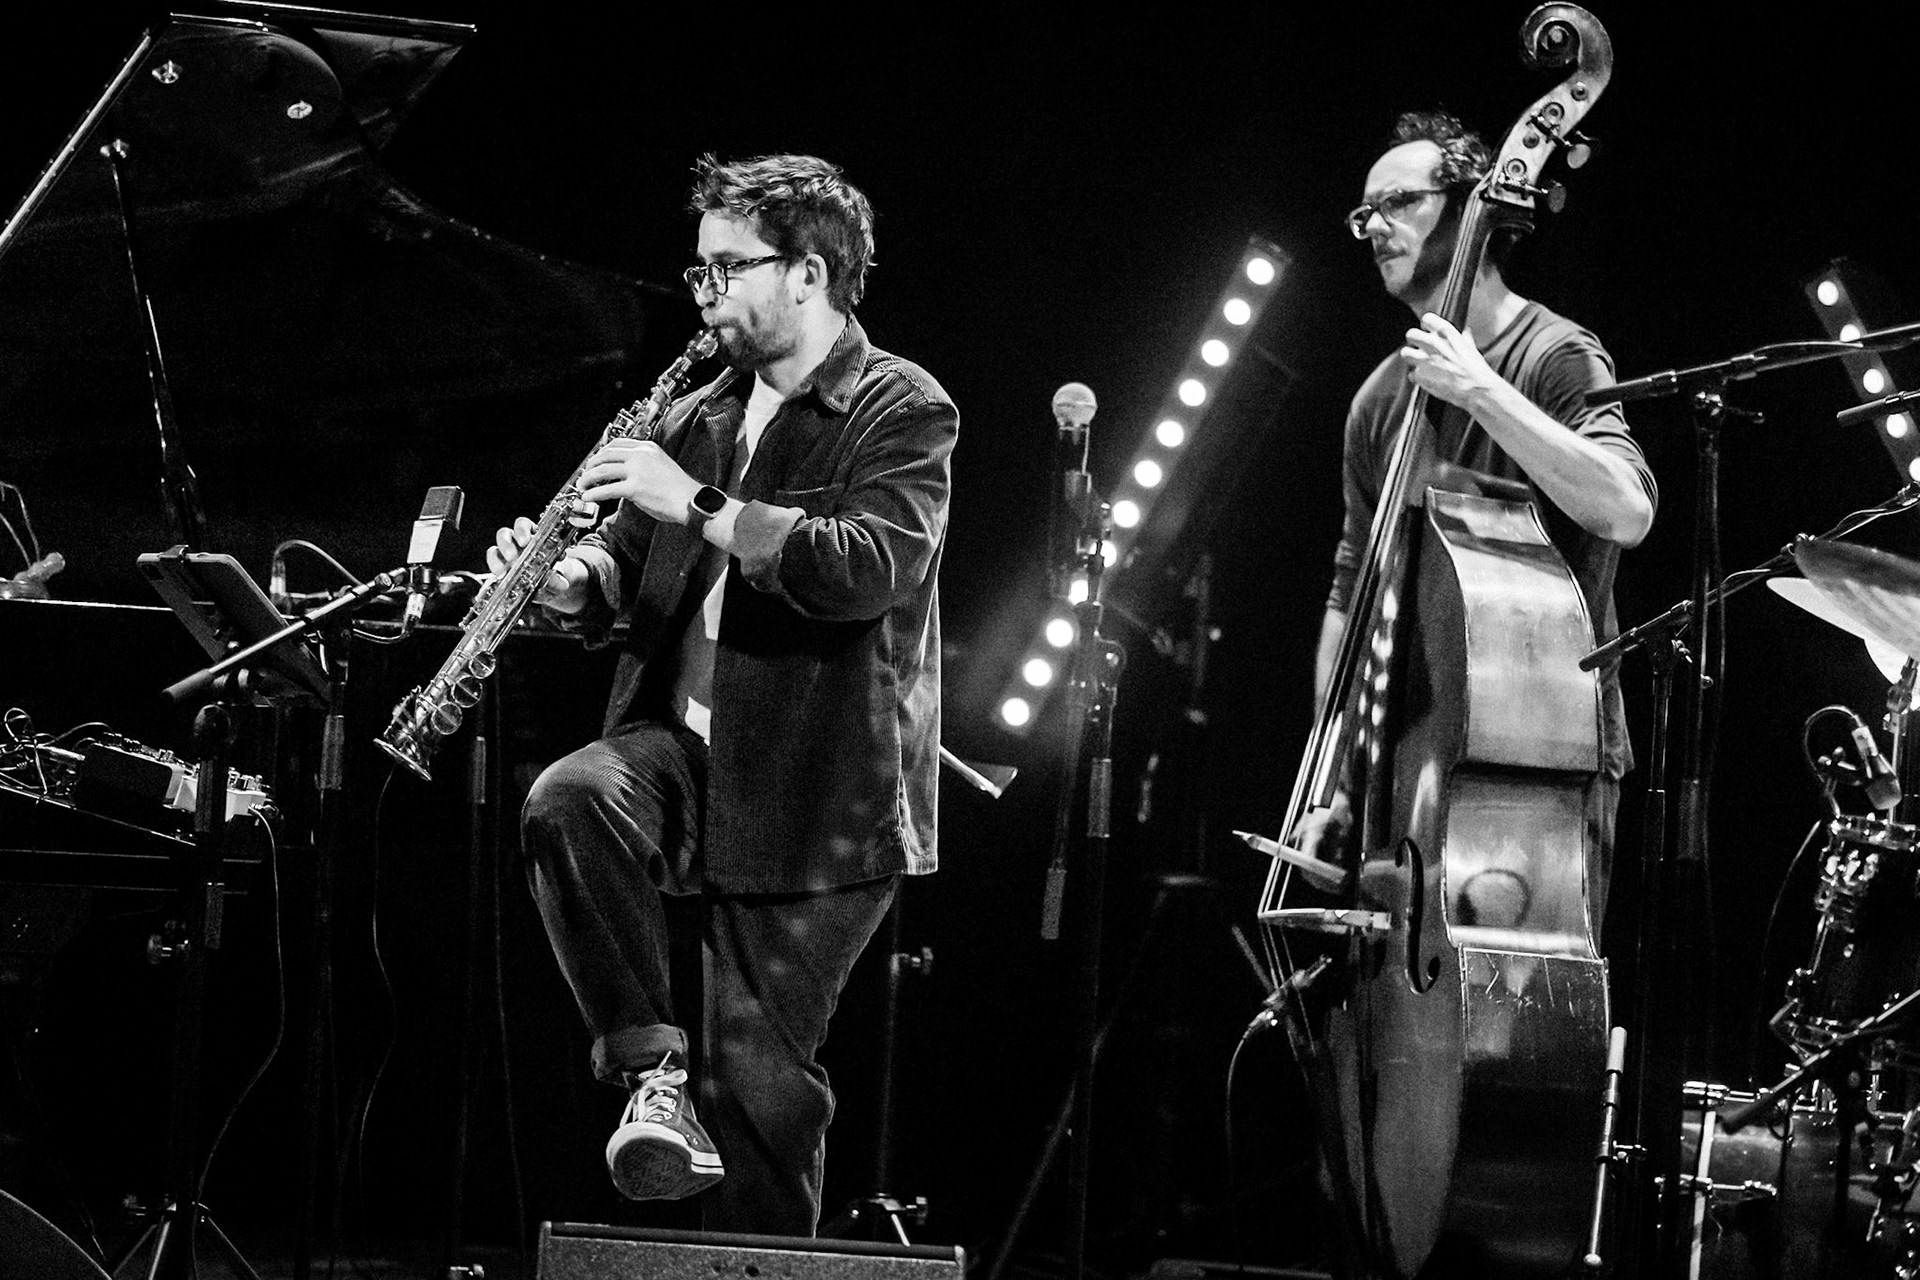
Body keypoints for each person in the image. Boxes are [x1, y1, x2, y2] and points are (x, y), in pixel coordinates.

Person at [491, 152, 957, 1235]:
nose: (702, 294)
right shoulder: (697, 410)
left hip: (822, 792)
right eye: (698, 271)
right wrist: (570, 582)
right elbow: (622, 562)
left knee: (757, 1085)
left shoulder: (902, 405)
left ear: (808, 272)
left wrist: (696, 500)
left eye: (726, 269)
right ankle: (651, 1067)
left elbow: (862, 569)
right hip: (683, 751)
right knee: (569, 797)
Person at [1300, 110, 1657, 911]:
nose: (1375, 229)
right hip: (1407, 761)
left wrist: (1481, 392)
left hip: (1538, 757)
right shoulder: (1379, 400)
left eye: (1398, 203)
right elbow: (1350, 591)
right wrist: (1336, 774)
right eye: (1365, 213)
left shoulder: (1554, 353)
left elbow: (1627, 509)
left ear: (1470, 212)